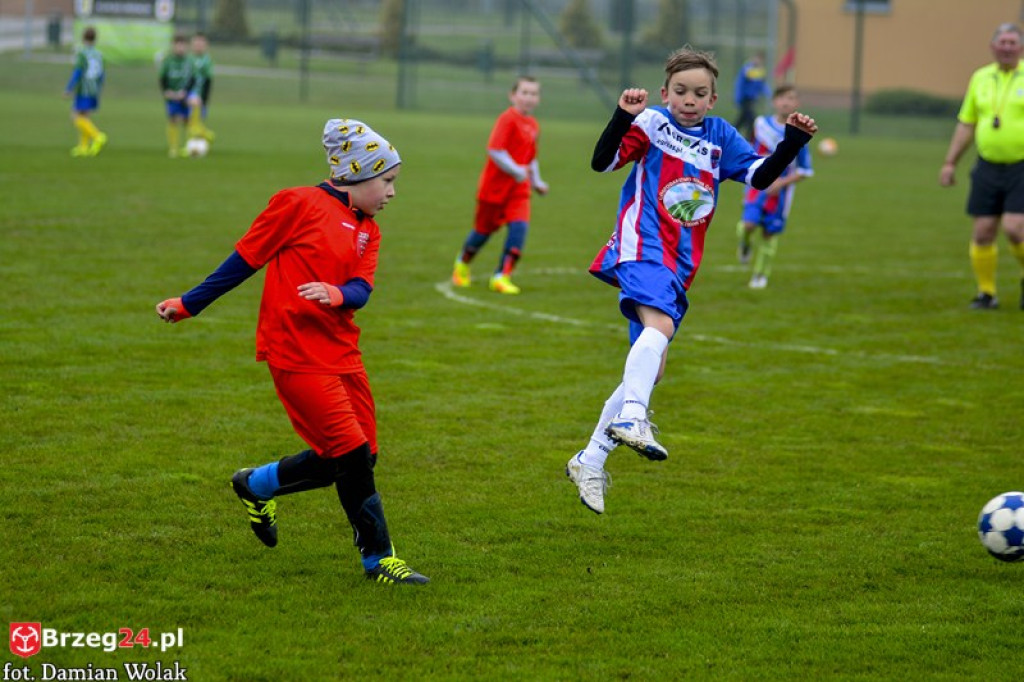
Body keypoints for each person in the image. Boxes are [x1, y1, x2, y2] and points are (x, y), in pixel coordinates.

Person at [155, 118, 429, 585]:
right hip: (295, 352)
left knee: (356, 458)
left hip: (343, 353)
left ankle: (255, 484)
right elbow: (243, 261)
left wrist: (337, 293)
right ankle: (379, 560)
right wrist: (189, 304)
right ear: (358, 174)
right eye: (387, 181)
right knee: (352, 453)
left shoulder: (369, 230)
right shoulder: (297, 204)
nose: (392, 193)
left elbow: (362, 288)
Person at [566, 47, 817, 514]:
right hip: (641, 247)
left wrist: (791, 143)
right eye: (680, 91)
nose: (689, 100)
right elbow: (602, 163)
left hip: (679, 264)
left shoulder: (721, 136)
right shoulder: (651, 124)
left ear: (713, 99)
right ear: (665, 94)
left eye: (700, 93)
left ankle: (590, 458)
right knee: (658, 331)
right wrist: (623, 116)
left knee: (651, 368)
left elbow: (759, 177)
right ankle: (634, 418)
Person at [940, 22, 1024, 311]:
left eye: (1013, 42)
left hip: (1021, 166)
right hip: (987, 165)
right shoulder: (980, 78)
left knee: (1015, 228)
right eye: (1003, 42)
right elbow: (967, 123)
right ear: (993, 47)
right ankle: (987, 293)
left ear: (1021, 47)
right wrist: (950, 162)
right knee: (983, 231)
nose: (1007, 47)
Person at [451, 76, 549, 295]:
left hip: (518, 190)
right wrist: (516, 170)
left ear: (538, 99)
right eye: (524, 92)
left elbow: (530, 157)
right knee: (483, 231)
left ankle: (502, 276)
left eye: (533, 93)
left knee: (519, 228)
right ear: (513, 95)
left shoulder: (533, 125)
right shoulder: (507, 119)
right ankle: (462, 263)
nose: (529, 98)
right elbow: (495, 150)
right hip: (494, 189)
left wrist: (537, 182)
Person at [736, 83, 814, 289]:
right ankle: (744, 243)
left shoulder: (798, 133)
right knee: (749, 224)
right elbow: (747, 149)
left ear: (797, 104)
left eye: (791, 98)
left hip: (779, 194)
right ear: (774, 101)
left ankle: (761, 275)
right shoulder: (759, 124)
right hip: (755, 185)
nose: (786, 102)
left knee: (769, 233)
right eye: (782, 97)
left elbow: (805, 170)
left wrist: (782, 182)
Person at [63, 26, 107, 157]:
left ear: (83, 38)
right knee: (85, 117)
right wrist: (99, 89)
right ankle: (83, 147)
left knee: (76, 117)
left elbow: (77, 72)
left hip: (84, 89)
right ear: (95, 39)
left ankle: (97, 136)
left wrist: (69, 88)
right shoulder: (99, 55)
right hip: (94, 89)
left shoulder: (82, 54)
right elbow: (102, 75)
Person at [159, 34, 193, 158]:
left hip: (184, 95)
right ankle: (173, 148)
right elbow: (162, 78)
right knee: (173, 119)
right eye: (177, 45)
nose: (180, 48)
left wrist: (185, 92)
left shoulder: (189, 61)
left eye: (182, 45)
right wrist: (167, 91)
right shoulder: (168, 61)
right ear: (173, 46)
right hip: (172, 95)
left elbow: (192, 79)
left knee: (187, 120)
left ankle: (188, 147)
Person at [733, 52, 769, 141]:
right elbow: (741, 82)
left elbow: (762, 85)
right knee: (752, 119)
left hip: (752, 99)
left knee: (742, 120)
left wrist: (769, 94)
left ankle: (730, 134)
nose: (758, 61)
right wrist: (737, 97)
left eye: (760, 60)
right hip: (745, 98)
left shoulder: (759, 71)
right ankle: (749, 139)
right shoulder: (747, 68)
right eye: (757, 58)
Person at [186, 32, 215, 143]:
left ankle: (199, 142)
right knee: (191, 121)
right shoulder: (188, 59)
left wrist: (205, 99)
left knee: (195, 121)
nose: (198, 45)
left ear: (205, 45)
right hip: (188, 93)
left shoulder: (207, 60)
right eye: (196, 42)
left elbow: (208, 81)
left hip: (200, 95)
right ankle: (205, 135)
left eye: (201, 43)